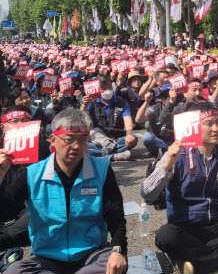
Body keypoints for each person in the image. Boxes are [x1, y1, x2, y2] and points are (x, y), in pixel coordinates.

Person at [141, 101, 218, 273]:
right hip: (184, 228)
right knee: (166, 236)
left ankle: (191, 257)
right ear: (193, 126)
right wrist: (167, 165)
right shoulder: (177, 153)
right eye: (208, 123)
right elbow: (147, 194)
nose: (216, 128)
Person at [0, 109, 128, 274]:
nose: (76, 146)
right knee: (14, 271)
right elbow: (4, 212)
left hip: (92, 254)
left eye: (83, 139)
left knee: (115, 265)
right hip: (46, 257)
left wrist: (119, 251)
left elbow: (115, 216)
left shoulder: (102, 170)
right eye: (69, 139)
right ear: (53, 139)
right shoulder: (32, 174)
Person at [0, 106, 51, 252]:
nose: (21, 125)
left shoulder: (42, 147)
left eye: (25, 121)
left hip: (30, 206)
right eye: (15, 121)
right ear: (3, 127)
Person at [82, 75, 137, 161]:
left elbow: (127, 118)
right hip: (97, 140)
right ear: (97, 90)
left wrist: (129, 134)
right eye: (103, 88)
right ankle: (113, 156)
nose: (107, 90)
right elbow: (82, 118)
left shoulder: (121, 102)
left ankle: (101, 153)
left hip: (117, 138)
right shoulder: (92, 102)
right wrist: (85, 105)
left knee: (133, 140)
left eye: (109, 86)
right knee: (82, 146)